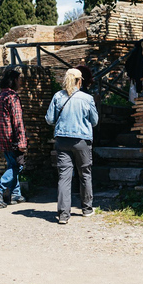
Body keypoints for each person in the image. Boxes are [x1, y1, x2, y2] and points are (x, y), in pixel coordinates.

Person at [45, 68, 99, 224]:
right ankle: (87, 209)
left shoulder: (58, 96)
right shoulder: (87, 98)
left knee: (64, 176)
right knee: (85, 174)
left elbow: (49, 119)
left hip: (62, 140)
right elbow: (94, 121)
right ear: (79, 81)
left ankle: (63, 215)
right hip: (82, 140)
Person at [0, 69, 27, 207]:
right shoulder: (12, 96)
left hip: (1, 136)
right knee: (18, 165)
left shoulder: (0, 96)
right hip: (11, 137)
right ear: (14, 80)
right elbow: (17, 120)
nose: (21, 82)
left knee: (11, 164)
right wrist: (22, 140)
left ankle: (16, 195)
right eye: (19, 79)